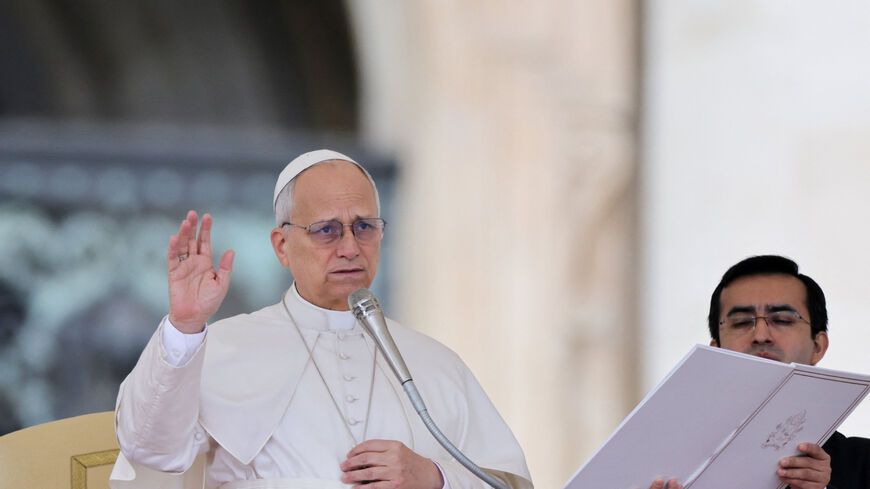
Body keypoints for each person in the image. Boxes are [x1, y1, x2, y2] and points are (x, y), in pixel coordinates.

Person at [110, 149, 533, 489]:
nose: (350, 247)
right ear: (282, 246)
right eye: (327, 230)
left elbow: (506, 483)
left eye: (364, 227)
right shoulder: (222, 349)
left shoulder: (435, 364)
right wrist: (184, 326)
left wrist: (436, 478)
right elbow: (152, 453)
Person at [706, 255, 870, 489]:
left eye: (781, 320)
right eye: (742, 322)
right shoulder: (667, 462)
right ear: (716, 352)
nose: (760, 335)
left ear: (817, 347)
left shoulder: (864, 465)